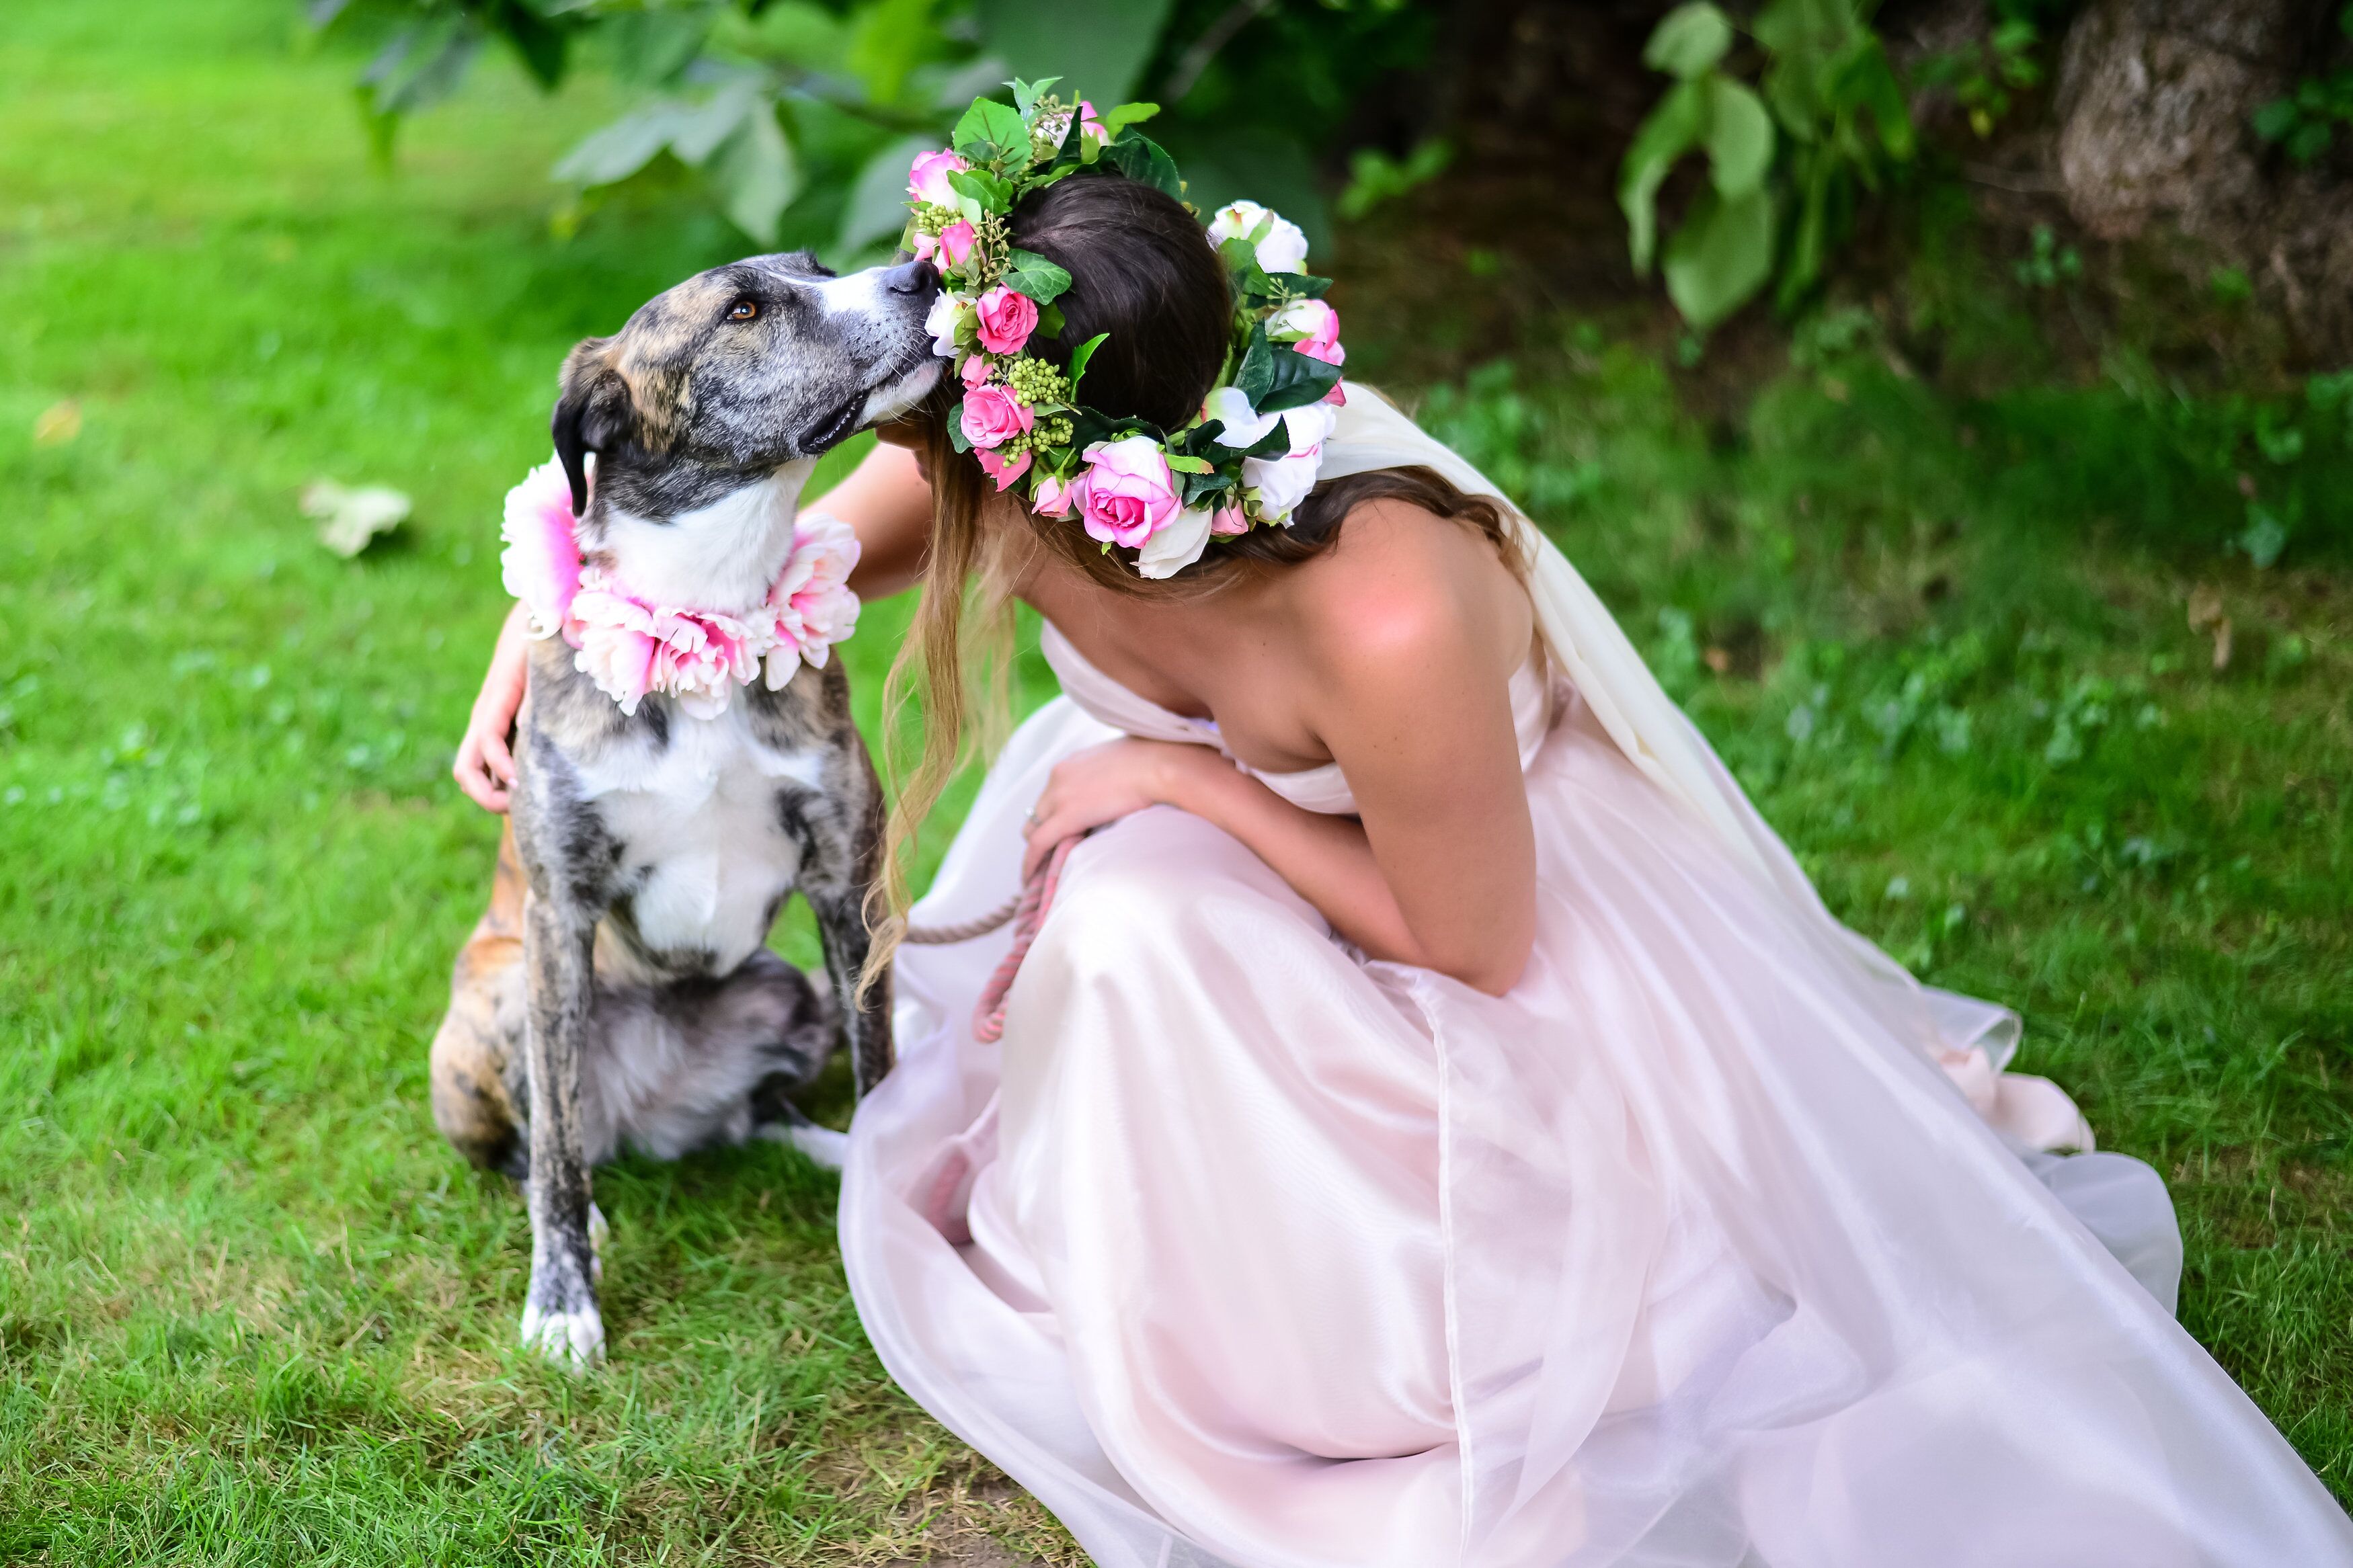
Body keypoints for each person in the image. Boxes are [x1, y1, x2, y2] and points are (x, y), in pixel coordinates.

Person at [453, 168, 2353, 1565]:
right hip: (1193, 885)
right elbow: (696, 552)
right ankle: (1133, 1227)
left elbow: (1475, 936)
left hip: (1460, 924)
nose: (963, 485)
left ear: (1141, 459)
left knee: (1128, 909)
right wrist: (538, 633)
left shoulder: (1386, 611)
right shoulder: (1006, 449)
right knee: (1122, 913)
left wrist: (1181, 792)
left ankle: (1301, 1335)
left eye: (1002, 460)